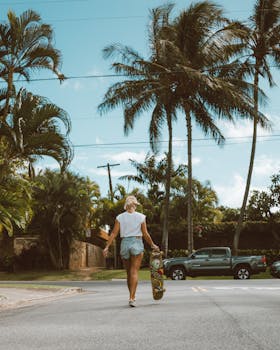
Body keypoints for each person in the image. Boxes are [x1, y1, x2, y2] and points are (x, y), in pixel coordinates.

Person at [103, 195, 159, 307]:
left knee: (129, 273)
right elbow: (145, 234)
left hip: (124, 244)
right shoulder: (141, 217)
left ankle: (131, 296)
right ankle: (132, 298)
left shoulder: (120, 217)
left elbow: (114, 233)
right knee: (134, 272)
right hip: (136, 243)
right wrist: (152, 245)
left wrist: (107, 246)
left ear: (126, 205)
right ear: (134, 205)